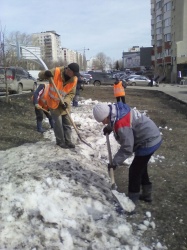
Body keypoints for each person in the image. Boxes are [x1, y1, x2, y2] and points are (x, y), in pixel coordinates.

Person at [93, 102, 162, 207]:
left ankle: (131, 202)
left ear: (107, 115)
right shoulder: (116, 110)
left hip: (148, 141)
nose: (103, 123)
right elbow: (116, 120)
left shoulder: (121, 125)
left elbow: (127, 148)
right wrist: (110, 127)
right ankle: (147, 194)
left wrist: (114, 163)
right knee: (141, 167)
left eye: (103, 120)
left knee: (134, 171)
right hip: (151, 135)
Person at [38, 63, 80, 149]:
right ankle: (60, 141)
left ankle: (68, 141)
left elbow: (71, 93)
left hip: (64, 105)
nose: (75, 75)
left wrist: (66, 102)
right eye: (74, 73)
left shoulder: (74, 79)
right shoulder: (56, 71)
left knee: (67, 123)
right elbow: (40, 75)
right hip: (53, 104)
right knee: (58, 124)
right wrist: (46, 73)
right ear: (68, 70)